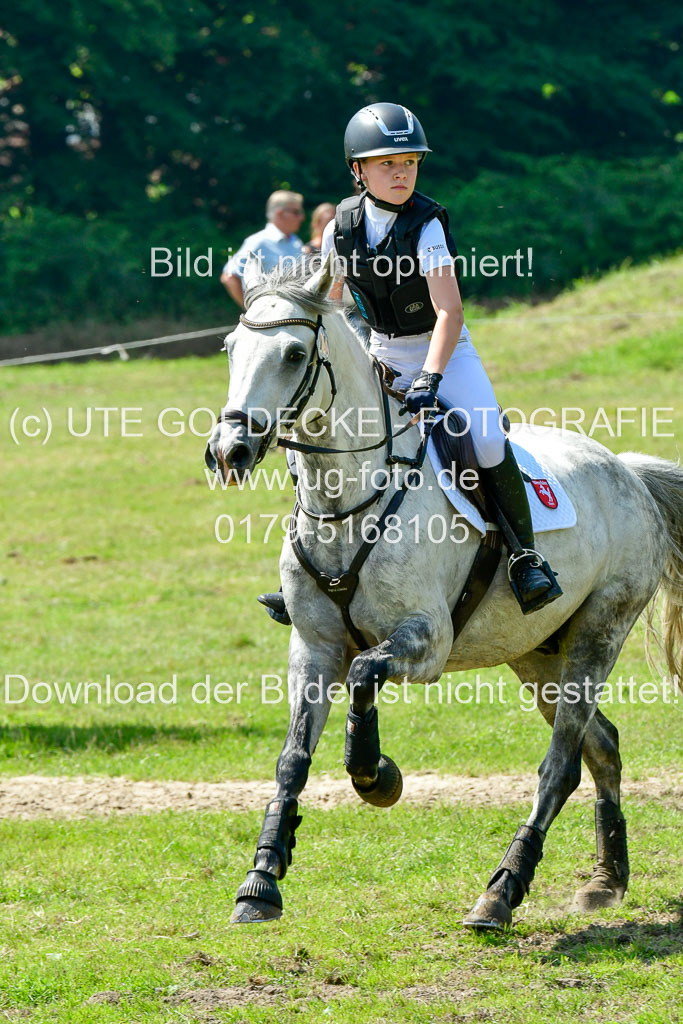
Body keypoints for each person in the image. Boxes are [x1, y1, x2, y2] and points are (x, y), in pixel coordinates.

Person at [258, 102, 561, 623]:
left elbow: (449, 313)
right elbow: (330, 304)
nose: (401, 174)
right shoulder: (340, 229)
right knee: (317, 439)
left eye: (409, 163)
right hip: (379, 350)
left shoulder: (427, 225)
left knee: (487, 438)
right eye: (387, 164)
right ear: (359, 170)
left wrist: (430, 376)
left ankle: (525, 557)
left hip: (444, 351)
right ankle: (309, 569)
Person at [220, 190, 305, 308]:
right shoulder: (258, 241)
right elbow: (229, 277)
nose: (302, 217)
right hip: (270, 317)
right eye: (296, 212)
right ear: (280, 213)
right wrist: (251, 310)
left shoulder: (296, 242)